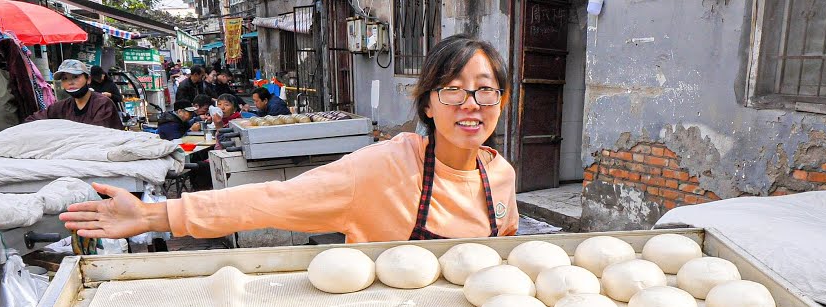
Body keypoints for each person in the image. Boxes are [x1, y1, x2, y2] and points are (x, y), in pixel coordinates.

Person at [62, 35, 518, 244]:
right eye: (453, 89)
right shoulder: (384, 168)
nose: (470, 103)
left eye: (484, 89)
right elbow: (270, 199)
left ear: (501, 100)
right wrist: (152, 215)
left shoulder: (501, 176)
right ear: (428, 104)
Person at [25, 59, 122, 130]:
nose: (70, 82)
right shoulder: (60, 107)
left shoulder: (102, 104)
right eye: (65, 79)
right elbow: (31, 121)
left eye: (75, 77)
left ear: (88, 79)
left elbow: (96, 135)